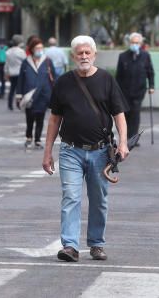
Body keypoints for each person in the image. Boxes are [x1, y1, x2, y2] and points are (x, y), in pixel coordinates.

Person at [42, 35, 128, 263]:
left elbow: (119, 114)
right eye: (79, 53)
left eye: (87, 53)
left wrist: (123, 142)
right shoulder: (63, 82)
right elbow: (54, 119)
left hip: (100, 152)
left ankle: (97, 244)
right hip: (71, 151)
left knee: (99, 199)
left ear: (94, 55)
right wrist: (47, 151)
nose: (83, 56)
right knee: (71, 197)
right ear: (73, 56)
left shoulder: (106, 80)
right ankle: (70, 246)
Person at [16, 36, 57, 150]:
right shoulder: (26, 62)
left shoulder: (47, 61)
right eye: (37, 48)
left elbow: (54, 78)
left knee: (40, 118)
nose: (40, 50)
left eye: (41, 48)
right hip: (29, 95)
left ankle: (37, 140)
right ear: (32, 49)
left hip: (44, 94)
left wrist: (55, 94)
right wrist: (19, 95)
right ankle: (29, 137)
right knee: (29, 117)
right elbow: (21, 79)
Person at [115, 32, 154, 141]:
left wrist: (151, 86)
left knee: (135, 113)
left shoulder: (146, 56)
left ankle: (133, 138)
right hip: (125, 91)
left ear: (140, 43)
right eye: (132, 42)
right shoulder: (123, 56)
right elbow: (119, 75)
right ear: (129, 43)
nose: (134, 44)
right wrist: (116, 91)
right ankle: (125, 137)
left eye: (137, 42)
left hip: (139, 91)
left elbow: (150, 72)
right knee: (126, 113)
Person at [5, 35, 26, 111]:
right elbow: (25, 62)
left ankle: (10, 104)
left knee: (12, 89)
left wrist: (6, 72)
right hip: (20, 73)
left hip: (11, 72)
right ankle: (19, 103)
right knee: (20, 89)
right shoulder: (21, 52)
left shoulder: (8, 52)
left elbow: (6, 64)